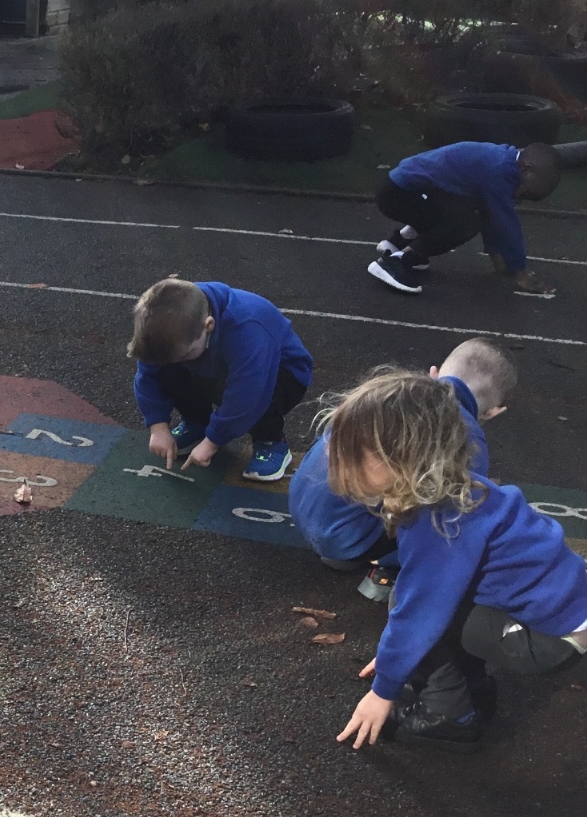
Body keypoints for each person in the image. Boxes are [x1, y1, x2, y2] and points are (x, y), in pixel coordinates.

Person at [328, 371, 587, 752]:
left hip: (550, 637)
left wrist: (384, 690)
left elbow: (419, 615)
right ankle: (471, 691)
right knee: (422, 603)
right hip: (564, 610)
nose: (339, 463)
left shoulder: (439, 524)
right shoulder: (458, 490)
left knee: (421, 612)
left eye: (352, 455)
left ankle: (451, 717)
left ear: (403, 457)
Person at [289, 337, 514, 600]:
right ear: (493, 412)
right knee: (466, 518)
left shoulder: (387, 391)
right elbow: (459, 516)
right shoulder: (466, 435)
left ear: (434, 372)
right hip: (345, 537)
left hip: (301, 504)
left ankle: (351, 543)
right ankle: (394, 568)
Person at [130, 278, 312, 482]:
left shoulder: (247, 327)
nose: (177, 360)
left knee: (250, 394)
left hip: (280, 373)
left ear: (209, 325)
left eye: (185, 353)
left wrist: (212, 442)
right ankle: (197, 423)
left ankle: (271, 441)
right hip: (219, 368)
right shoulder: (172, 321)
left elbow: (247, 396)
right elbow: (148, 375)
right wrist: (158, 426)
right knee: (168, 368)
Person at [367, 141, 561, 296]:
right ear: (527, 169)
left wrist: (500, 264)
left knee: (468, 209)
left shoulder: (505, 162)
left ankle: (398, 243)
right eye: (526, 191)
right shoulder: (500, 171)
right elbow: (506, 224)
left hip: (405, 191)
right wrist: (521, 273)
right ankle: (396, 263)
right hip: (399, 195)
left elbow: (490, 216)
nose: (521, 197)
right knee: (466, 223)